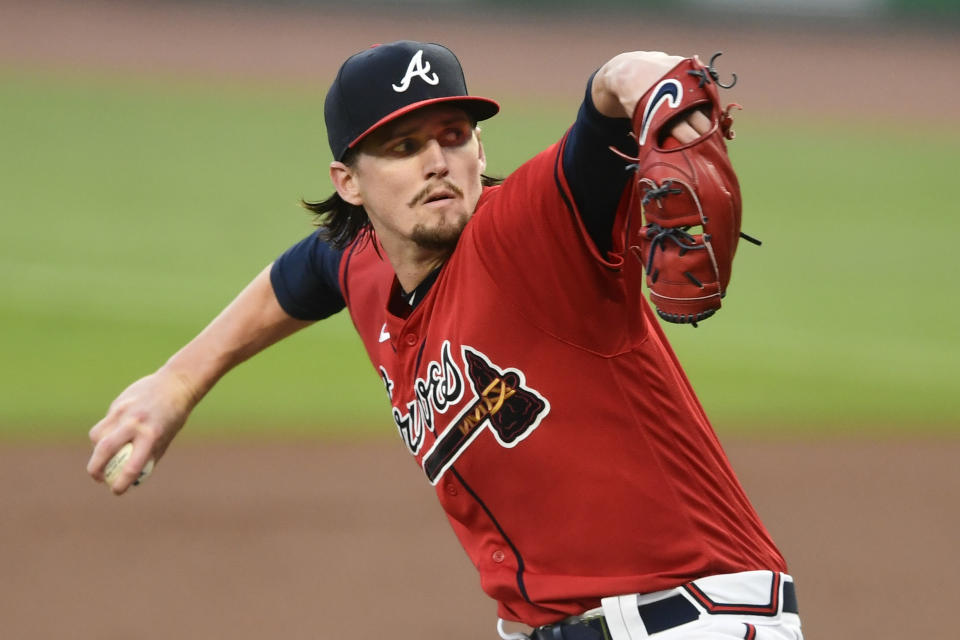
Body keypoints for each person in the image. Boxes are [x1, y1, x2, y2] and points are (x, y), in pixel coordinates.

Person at [87, 41, 803, 640]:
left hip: (694, 619)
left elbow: (610, 96)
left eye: (453, 136)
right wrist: (179, 381)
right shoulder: (364, 264)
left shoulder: (532, 231)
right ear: (349, 183)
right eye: (402, 147)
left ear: (478, 145)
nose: (437, 161)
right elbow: (303, 273)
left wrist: (644, 82)